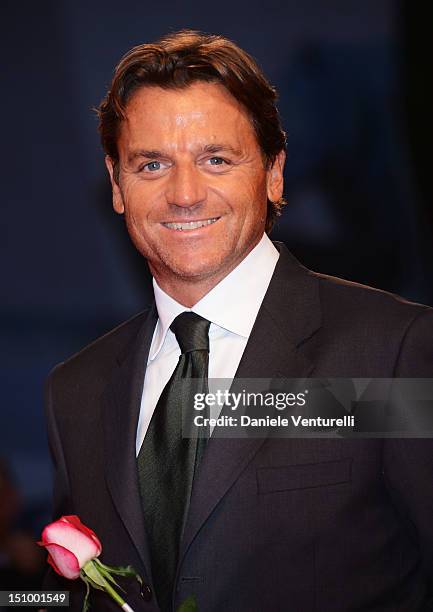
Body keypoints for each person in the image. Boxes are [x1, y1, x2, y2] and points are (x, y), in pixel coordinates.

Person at [44, 30, 433, 611]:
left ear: (274, 172)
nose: (183, 194)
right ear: (116, 184)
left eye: (215, 160)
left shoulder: (393, 350)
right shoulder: (76, 390)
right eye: (151, 164)